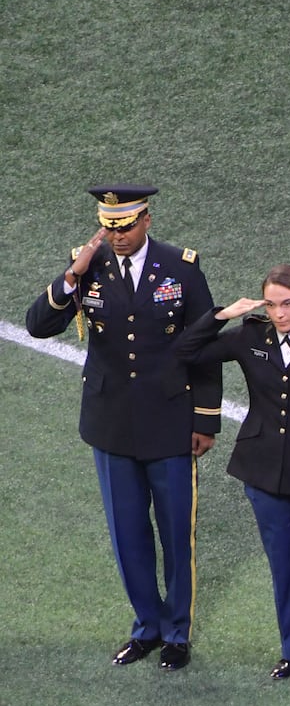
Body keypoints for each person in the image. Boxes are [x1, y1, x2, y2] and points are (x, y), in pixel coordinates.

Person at [26, 184, 222, 671]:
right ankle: (146, 628)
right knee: (128, 534)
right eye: (109, 227)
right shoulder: (87, 266)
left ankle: (177, 634)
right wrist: (73, 272)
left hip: (171, 424)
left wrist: (205, 419)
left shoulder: (181, 267)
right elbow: (37, 325)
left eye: (126, 226)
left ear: (147, 221)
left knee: (177, 535)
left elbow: (206, 345)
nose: (117, 236)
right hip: (111, 426)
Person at [177, 265, 290, 681]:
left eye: (287, 304)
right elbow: (185, 352)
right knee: (283, 564)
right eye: (272, 304)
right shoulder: (251, 335)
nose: (280, 314)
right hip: (263, 473)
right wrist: (221, 315)